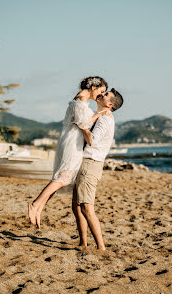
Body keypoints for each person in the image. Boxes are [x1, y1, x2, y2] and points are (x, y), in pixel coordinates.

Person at [28, 76, 110, 228]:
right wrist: (101, 114)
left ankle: (39, 207)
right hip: (72, 144)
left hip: (73, 142)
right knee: (62, 178)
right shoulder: (80, 101)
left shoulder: (80, 101)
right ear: (93, 87)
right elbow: (83, 123)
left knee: (61, 178)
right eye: (101, 91)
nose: (101, 95)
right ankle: (35, 204)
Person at [72, 88, 123, 250]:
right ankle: (83, 243)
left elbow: (92, 140)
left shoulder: (105, 120)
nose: (102, 93)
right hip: (84, 162)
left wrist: (81, 126)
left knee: (87, 207)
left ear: (109, 104)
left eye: (106, 94)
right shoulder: (99, 116)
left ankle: (101, 247)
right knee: (77, 206)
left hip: (90, 163)